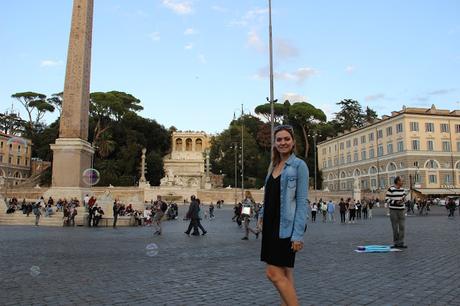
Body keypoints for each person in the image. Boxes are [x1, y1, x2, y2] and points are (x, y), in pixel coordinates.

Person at [257, 124, 308, 306]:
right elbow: (268, 195)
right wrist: (261, 215)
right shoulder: (273, 165)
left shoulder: (299, 165)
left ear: (293, 142)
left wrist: (298, 235)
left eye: (287, 139)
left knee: (272, 273)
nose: (283, 142)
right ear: (275, 143)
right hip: (271, 225)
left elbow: (302, 202)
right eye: (279, 139)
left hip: (286, 226)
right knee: (286, 272)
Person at [385, 176, 408, 248]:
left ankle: (401, 242)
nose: (403, 182)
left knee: (402, 227)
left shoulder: (402, 189)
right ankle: (396, 242)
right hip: (393, 210)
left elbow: (405, 199)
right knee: (395, 227)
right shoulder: (391, 189)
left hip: (402, 210)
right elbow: (387, 199)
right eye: (402, 181)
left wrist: (403, 200)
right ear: (397, 181)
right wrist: (395, 202)